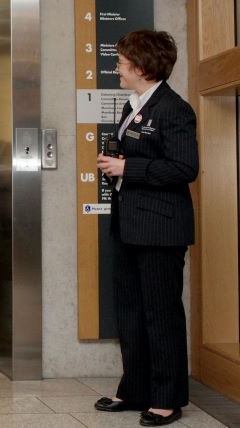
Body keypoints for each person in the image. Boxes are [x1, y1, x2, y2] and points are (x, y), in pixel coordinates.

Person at [95, 30, 198, 426]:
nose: (116, 68)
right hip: (129, 225)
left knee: (161, 314)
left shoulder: (175, 109)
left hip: (160, 230)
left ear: (140, 67)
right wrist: (115, 165)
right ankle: (135, 389)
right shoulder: (134, 104)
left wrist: (127, 168)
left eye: (121, 62)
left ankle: (168, 398)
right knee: (131, 312)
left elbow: (184, 168)